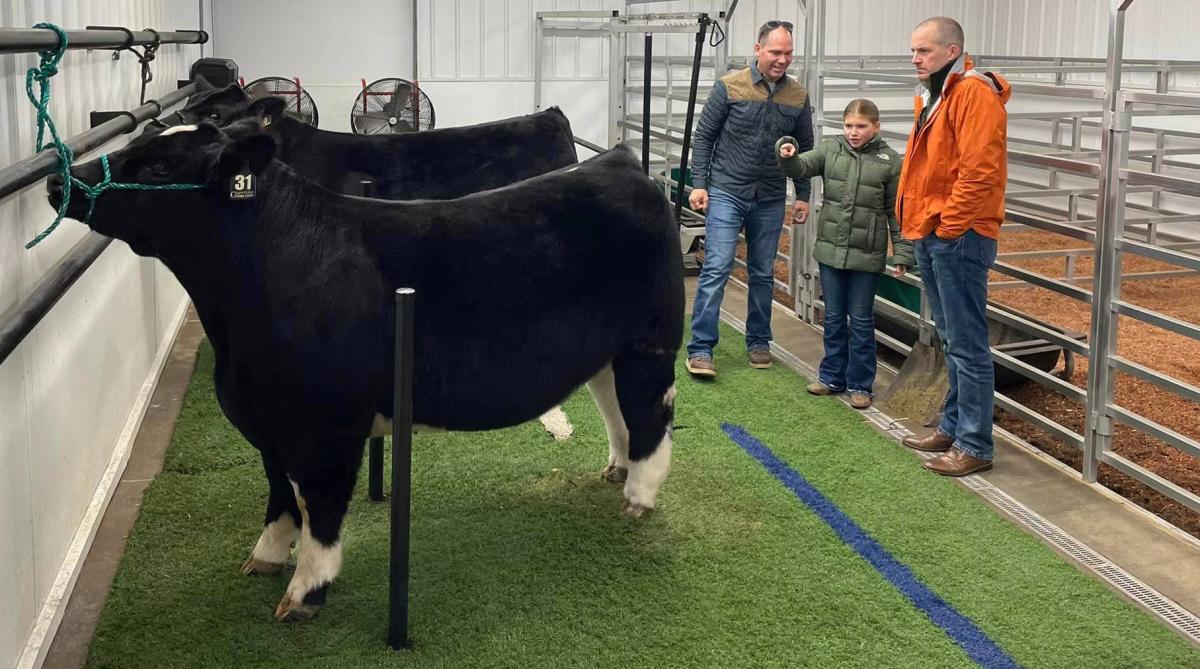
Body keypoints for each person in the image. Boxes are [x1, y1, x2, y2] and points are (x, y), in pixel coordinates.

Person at [896, 17, 1011, 476]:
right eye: (913, 51)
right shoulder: (936, 95)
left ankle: (976, 445)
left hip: (958, 235)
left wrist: (949, 227)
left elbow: (979, 171)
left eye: (923, 51)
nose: (915, 59)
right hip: (933, 229)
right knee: (953, 338)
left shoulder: (973, 95)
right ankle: (954, 425)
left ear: (952, 50)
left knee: (966, 343)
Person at [684, 20, 814, 379]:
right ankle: (700, 348)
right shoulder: (729, 87)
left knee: (762, 272)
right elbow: (704, 138)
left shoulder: (798, 96)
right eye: (775, 52)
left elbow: (805, 149)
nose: (782, 60)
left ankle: (758, 341)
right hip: (727, 191)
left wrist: (802, 195)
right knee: (717, 267)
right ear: (758, 50)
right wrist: (700, 184)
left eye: (788, 53)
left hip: (771, 197)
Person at [775, 98, 913, 410]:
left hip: (867, 255)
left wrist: (902, 252)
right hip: (830, 250)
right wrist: (787, 151)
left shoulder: (890, 161)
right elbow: (801, 166)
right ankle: (831, 376)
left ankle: (861, 384)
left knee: (861, 320)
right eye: (849, 125)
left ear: (876, 127)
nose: (853, 132)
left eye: (861, 126)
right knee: (834, 316)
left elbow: (897, 211)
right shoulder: (830, 150)